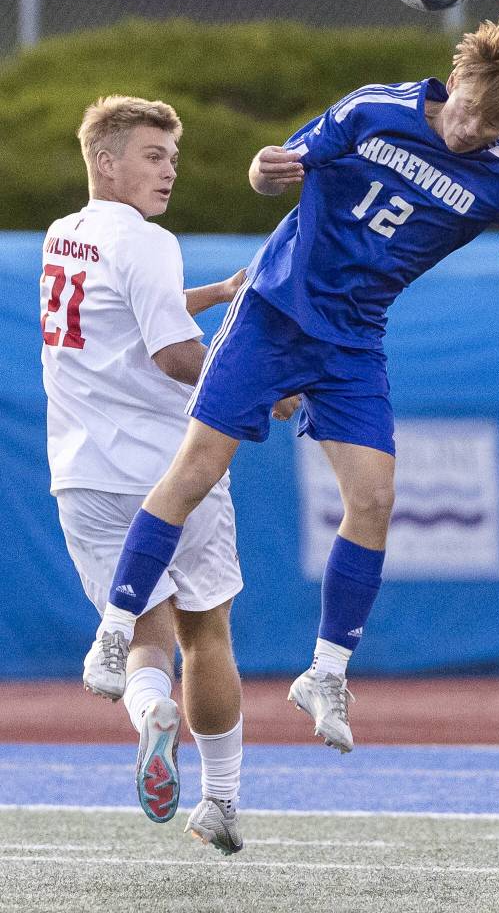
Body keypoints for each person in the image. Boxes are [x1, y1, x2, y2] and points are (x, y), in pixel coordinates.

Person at [83, 14, 499, 755]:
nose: (473, 131)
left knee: (375, 498)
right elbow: (277, 170)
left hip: (353, 342)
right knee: (196, 470)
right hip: (274, 312)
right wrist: (265, 171)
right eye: (470, 110)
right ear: (453, 81)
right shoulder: (375, 109)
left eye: (495, 125)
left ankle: (325, 673)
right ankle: (112, 630)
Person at [41, 96, 247, 854]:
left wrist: (215, 294)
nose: (169, 170)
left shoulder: (64, 237)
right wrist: (254, 383)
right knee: (207, 632)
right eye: (154, 155)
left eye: (172, 157)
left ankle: (155, 712)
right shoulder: (150, 241)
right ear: (106, 159)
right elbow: (170, 353)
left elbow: (129, 318)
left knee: (144, 642)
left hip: (86, 475)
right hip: (174, 472)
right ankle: (220, 798)